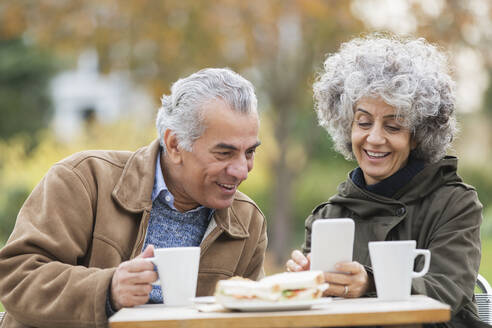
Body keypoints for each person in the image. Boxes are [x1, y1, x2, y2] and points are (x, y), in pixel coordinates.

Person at [0, 68, 267, 327]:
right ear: (174, 145)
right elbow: (16, 276)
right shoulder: (84, 179)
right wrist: (108, 291)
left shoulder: (248, 221)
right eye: (224, 153)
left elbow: (253, 317)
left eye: (249, 153)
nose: (241, 170)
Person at [286, 35, 485, 327]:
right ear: (346, 126)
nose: (375, 138)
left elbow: (448, 293)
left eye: (393, 126)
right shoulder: (327, 217)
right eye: (363, 122)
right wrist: (304, 285)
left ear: (417, 135)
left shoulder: (455, 204)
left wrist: (370, 282)